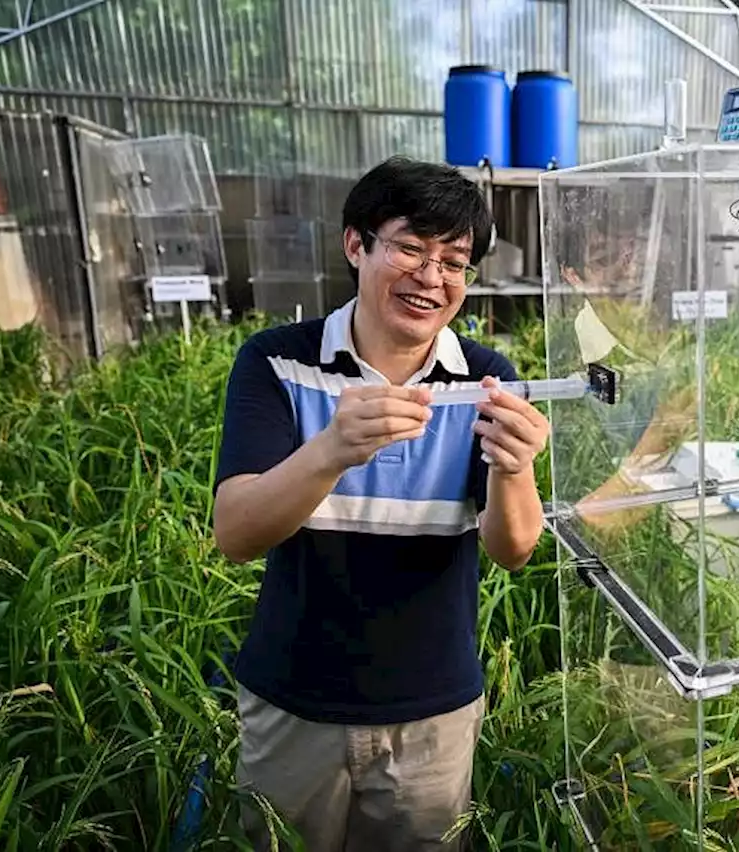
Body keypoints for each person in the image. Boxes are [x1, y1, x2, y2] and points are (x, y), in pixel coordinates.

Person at [211, 156, 549, 851]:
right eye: (411, 248)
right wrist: (331, 449)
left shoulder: (488, 377)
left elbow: (512, 549)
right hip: (294, 700)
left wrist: (516, 469)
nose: (432, 277)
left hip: (432, 710)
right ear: (356, 245)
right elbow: (237, 532)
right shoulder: (278, 361)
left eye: (455, 261)